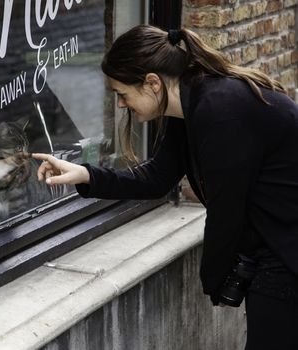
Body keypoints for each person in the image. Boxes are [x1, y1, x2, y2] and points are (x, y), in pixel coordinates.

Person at [32, 24, 298, 350]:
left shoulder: (219, 108)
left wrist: (213, 280)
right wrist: (86, 175)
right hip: (277, 245)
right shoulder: (190, 105)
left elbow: (227, 210)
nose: (120, 105)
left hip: (284, 251)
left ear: (152, 83)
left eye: (122, 94)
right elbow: (157, 178)